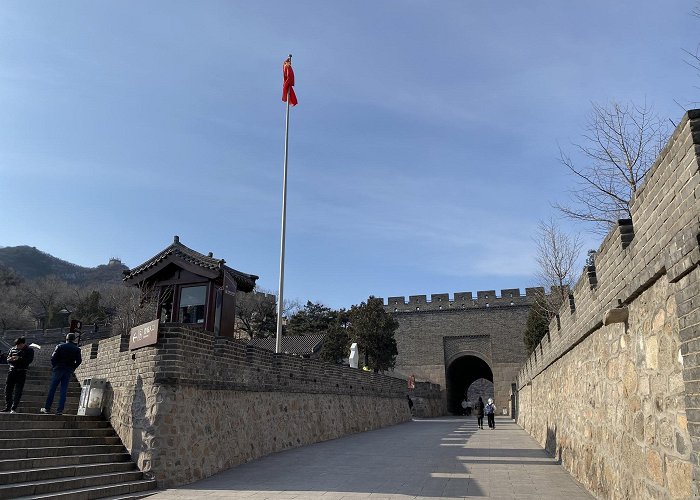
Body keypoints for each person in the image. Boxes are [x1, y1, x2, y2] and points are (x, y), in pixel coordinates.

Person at [40, 333, 82, 416]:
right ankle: (60, 410)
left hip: (58, 368)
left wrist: (55, 366)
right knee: (63, 390)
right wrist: (72, 368)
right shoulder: (77, 349)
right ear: (73, 339)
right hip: (68, 370)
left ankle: (47, 408)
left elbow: (53, 358)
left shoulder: (60, 346)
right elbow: (79, 361)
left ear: (66, 338)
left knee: (52, 389)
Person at [2, 337, 34, 413]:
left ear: (23, 344)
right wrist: (10, 359)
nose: (17, 347)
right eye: (16, 345)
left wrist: (19, 358)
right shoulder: (12, 349)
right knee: (8, 389)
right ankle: (8, 406)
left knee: (18, 390)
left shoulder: (29, 350)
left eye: (19, 345)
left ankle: (14, 407)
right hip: (12, 370)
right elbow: (8, 359)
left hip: (21, 371)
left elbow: (29, 361)